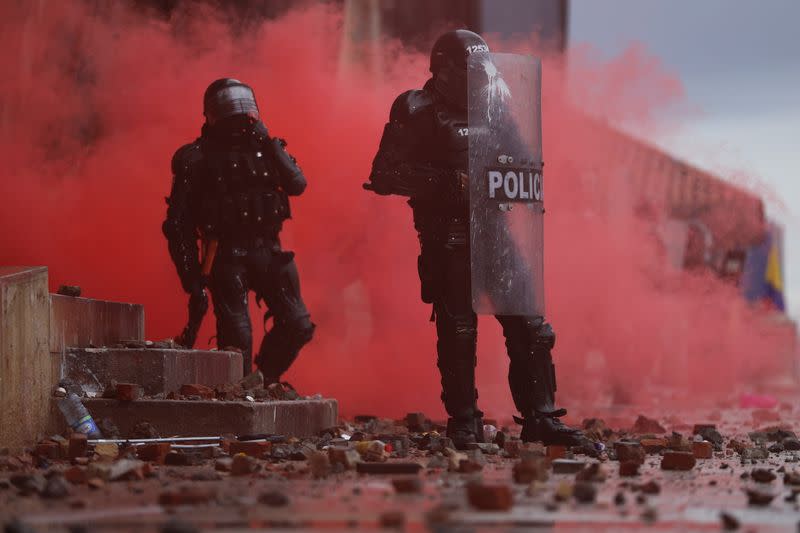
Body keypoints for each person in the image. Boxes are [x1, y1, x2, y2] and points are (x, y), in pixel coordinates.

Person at [364, 30, 587, 449]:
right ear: (444, 72)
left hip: (497, 231)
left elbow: (520, 159)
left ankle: (540, 417)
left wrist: (523, 179)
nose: (480, 81)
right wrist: (450, 182)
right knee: (459, 331)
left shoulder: (494, 105)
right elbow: (384, 174)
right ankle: (464, 421)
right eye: (470, 73)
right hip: (448, 235)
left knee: (532, 326)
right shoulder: (416, 109)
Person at [163, 78, 314, 385]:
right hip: (226, 255)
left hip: (268, 252)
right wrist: (191, 278)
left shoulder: (267, 150)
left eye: (244, 110)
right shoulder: (196, 158)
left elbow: (297, 184)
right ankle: (238, 398)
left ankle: (260, 382)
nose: (239, 118)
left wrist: (269, 143)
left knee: (298, 324)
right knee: (237, 341)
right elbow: (178, 225)